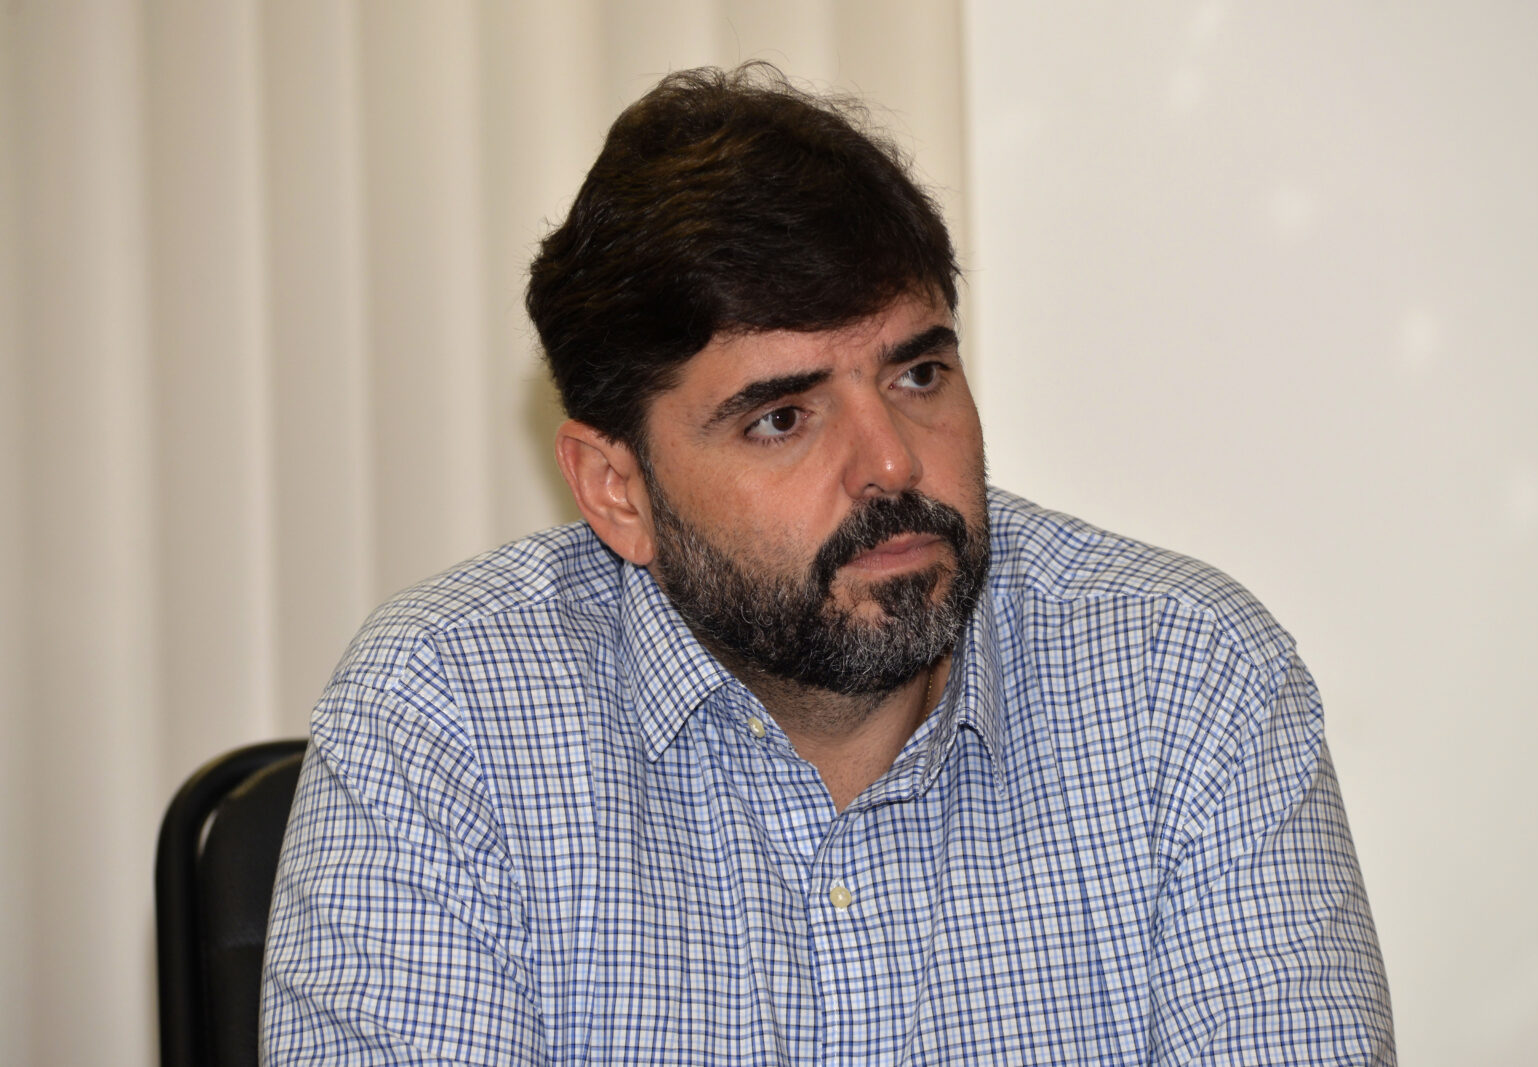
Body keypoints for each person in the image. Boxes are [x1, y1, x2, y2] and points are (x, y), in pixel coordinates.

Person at [261, 64, 1393, 1064]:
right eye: (782, 418)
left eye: (917, 375)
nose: (891, 462)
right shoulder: (446, 713)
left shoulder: (1184, 678)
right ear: (618, 489)